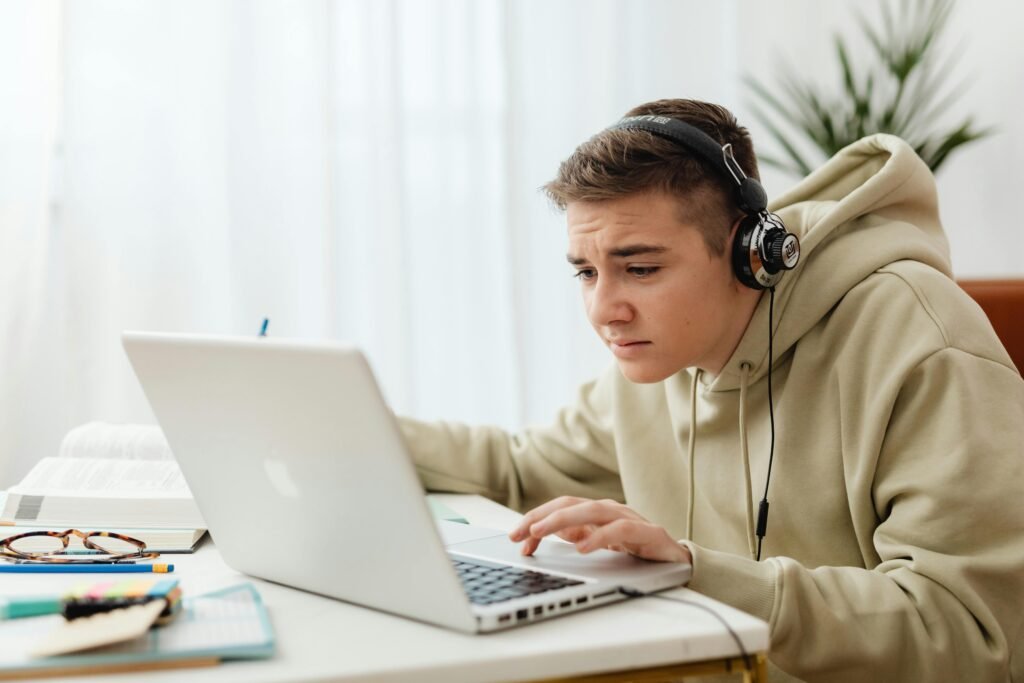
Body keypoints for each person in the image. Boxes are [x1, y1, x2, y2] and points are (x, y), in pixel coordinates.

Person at [399, 98, 1024, 682]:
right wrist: (337, 425)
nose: (604, 310)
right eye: (587, 272)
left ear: (750, 254)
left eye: (640, 269)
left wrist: (697, 573)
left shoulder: (918, 342)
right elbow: (517, 469)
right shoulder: (656, 358)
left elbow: (978, 632)